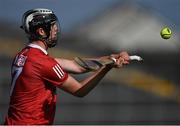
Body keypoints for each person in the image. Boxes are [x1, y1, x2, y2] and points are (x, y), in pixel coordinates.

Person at [5, 8, 130, 125]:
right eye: (53, 25)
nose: (56, 30)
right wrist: (107, 68)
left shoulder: (25, 55)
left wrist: (110, 59)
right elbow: (79, 90)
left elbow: (77, 66)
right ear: (41, 32)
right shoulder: (42, 63)